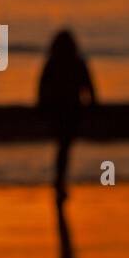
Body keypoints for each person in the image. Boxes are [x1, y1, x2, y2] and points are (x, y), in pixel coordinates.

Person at [37, 29, 97, 201]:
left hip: (61, 110)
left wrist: (42, 105)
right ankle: (59, 180)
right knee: (64, 147)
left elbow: (41, 87)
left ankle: (59, 180)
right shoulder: (76, 62)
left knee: (63, 147)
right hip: (70, 110)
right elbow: (90, 87)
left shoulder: (54, 63)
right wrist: (93, 106)